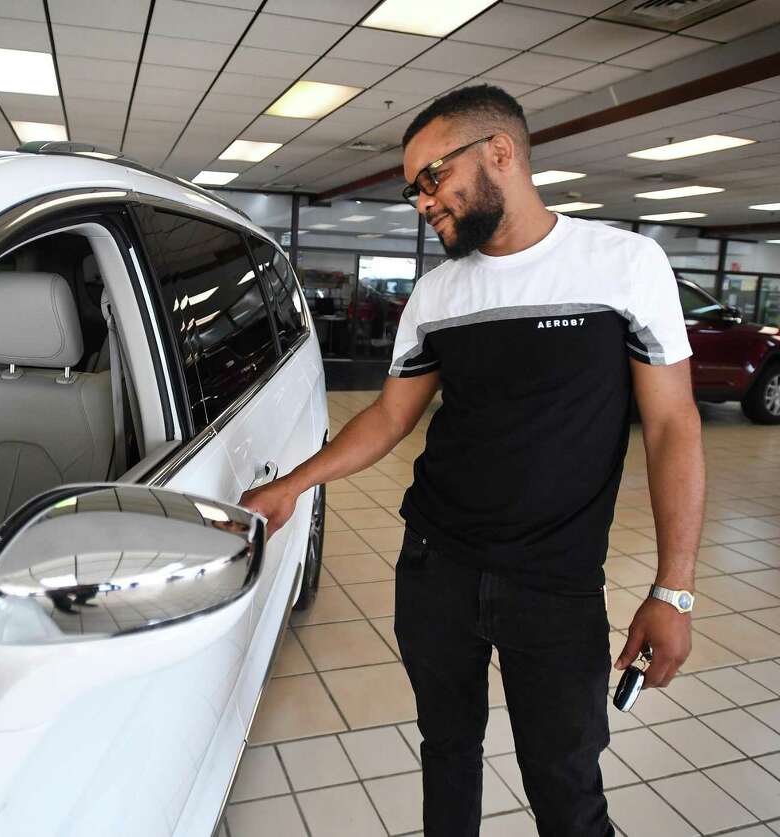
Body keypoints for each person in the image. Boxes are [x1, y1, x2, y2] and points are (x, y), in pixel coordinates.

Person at [240, 85, 704, 837]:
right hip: (436, 568)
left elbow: (673, 425)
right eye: (412, 187)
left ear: (500, 154)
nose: (422, 202)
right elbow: (392, 416)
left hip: (555, 586)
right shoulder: (437, 293)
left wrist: (674, 591)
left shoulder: (622, 265)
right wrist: (294, 486)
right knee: (447, 749)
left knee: (565, 783)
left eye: (433, 178)